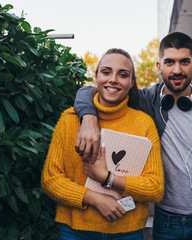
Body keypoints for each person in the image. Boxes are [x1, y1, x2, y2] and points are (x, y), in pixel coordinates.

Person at [74, 32, 192, 240]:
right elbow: (89, 91)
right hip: (166, 221)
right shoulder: (146, 100)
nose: (177, 70)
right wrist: (89, 118)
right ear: (159, 66)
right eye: (169, 62)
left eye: (184, 62)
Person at [41, 48, 164, 240]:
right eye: (106, 72)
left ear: (131, 83)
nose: (113, 79)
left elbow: (155, 189)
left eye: (123, 75)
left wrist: (106, 177)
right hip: (75, 232)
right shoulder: (69, 120)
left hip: (127, 232)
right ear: (96, 76)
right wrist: (94, 199)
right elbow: (50, 179)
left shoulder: (143, 123)